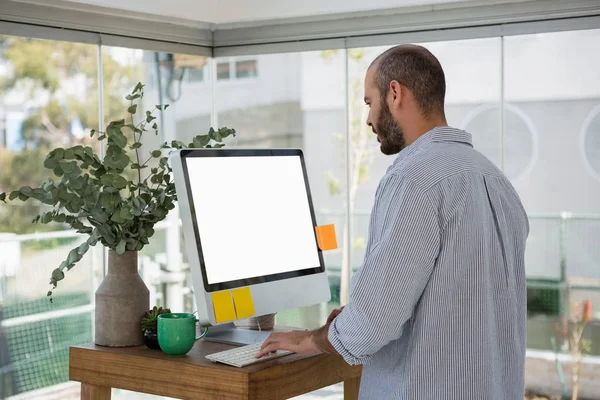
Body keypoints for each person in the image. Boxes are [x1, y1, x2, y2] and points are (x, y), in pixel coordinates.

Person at [257, 44, 529, 399]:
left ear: (395, 93)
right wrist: (356, 316)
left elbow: (373, 322)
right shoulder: (496, 181)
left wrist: (308, 338)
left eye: (369, 102)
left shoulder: (412, 180)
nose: (368, 119)